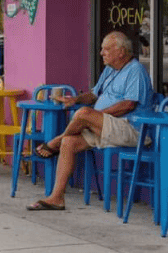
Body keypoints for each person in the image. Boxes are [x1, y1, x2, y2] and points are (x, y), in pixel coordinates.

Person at [26, 31, 154, 211]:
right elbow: (94, 94)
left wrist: (95, 115)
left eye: (106, 49)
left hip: (131, 130)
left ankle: (55, 141)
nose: (102, 53)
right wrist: (76, 100)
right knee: (70, 142)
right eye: (102, 49)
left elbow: (128, 105)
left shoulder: (135, 71)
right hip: (107, 126)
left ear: (121, 51)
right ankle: (56, 197)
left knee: (84, 114)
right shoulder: (110, 70)